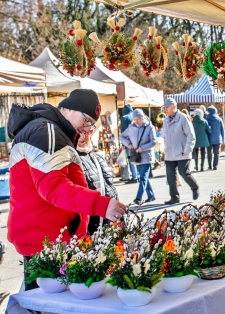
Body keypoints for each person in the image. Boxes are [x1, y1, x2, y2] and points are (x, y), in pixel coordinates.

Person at [7, 89, 127, 290]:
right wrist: (101, 205)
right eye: (86, 120)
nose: (87, 128)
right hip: (47, 242)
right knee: (52, 307)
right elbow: (55, 188)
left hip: (48, 240)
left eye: (91, 124)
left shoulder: (51, 131)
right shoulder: (47, 132)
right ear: (67, 108)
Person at [76, 130, 120, 235]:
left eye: (86, 131)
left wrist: (118, 218)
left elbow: (110, 187)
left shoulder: (96, 157)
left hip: (107, 223)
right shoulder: (72, 160)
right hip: (89, 229)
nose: (83, 136)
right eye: (78, 132)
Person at [162, 98, 200, 204]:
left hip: (182, 152)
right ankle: (174, 197)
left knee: (184, 173)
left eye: (167, 108)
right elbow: (164, 136)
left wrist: (188, 149)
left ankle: (195, 187)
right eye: (164, 108)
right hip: (170, 154)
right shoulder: (165, 120)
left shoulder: (183, 118)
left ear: (173, 107)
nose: (165, 110)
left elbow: (191, 135)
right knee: (170, 177)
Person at [120, 109, 157, 205]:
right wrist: (128, 144)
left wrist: (142, 148)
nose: (137, 121)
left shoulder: (149, 127)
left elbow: (153, 141)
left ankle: (138, 197)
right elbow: (122, 136)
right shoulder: (131, 127)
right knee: (143, 177)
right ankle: (151, 195)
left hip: (146, 155)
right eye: (135, 119)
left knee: (143, 177)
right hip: (136, 156)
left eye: (139, 119)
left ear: (142, 118)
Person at [120, 104, 138, 184]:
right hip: (137, 141)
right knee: (136, 158)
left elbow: (123, 132)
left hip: (129, 142)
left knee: (131, 159)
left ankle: (134, 176)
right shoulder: (134, 116)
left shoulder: (124, 118)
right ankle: (137, 175)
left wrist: (123, 144)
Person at [206, 105, 225, 170]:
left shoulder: (207, 119)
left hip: (209, 138)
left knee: (209, 153)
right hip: (218, 139)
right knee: (216, 153)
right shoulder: (219, 119)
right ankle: (215, 166)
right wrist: (223, 139)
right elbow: (222, 130)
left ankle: (210, 165)